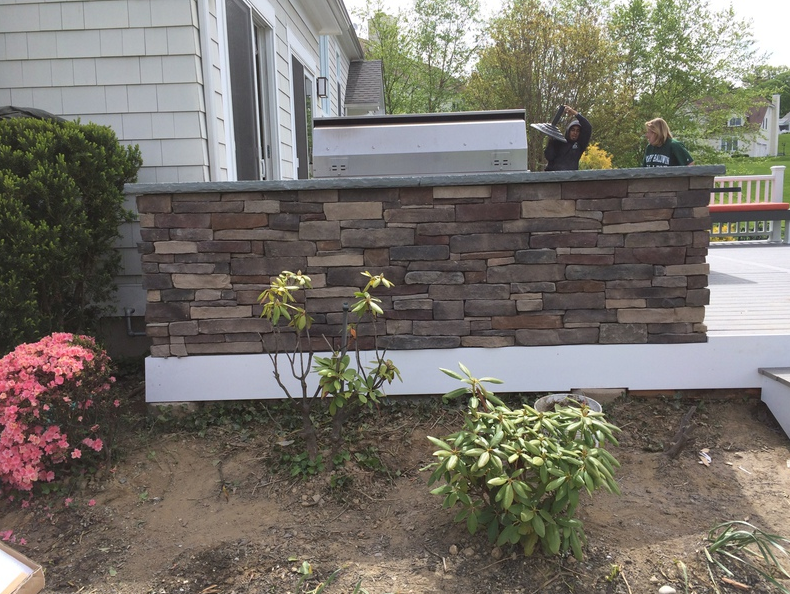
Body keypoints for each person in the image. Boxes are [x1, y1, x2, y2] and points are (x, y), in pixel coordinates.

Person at [544, 105, 592, 171]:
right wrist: (551, 142)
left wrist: (574, 113)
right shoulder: (558, 142)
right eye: (573, 130)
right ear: (568, 131)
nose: (575, 133)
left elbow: (588, 127)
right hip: (554, 177)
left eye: (577, 131)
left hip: (570, 178)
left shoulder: (580, 145)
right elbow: (549, 156)